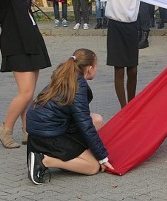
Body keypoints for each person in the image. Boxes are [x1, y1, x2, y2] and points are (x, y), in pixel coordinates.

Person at [0, 0, 49, 148]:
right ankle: (5, 129)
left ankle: (27, 131)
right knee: (25, 93)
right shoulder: (1, 3)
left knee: (29, 94)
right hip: (17, 48)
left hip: (32, 46)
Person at [26, 48, 114, 185]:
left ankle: (66, 159)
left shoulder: (65, 75)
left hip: (38, 134)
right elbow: (85, 125)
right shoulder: (79, 85)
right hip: (49, 136)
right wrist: (102, 157)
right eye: (96, 66)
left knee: (97, 119)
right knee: (92, 166)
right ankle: (43, 160)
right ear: (90, 68)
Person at [104, 0, 140, 108]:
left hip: (131, 28)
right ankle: (123, 107)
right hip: (115, 27)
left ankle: (131, 105)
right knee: (119, 70)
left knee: (132, 70)